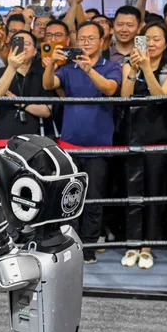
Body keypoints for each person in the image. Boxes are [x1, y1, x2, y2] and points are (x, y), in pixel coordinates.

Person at [43, 20, 121, 263]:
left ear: (102, 41)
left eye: (91, 39)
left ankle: (88, 246)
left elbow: (110, 89)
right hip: (70, 145)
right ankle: (70, 243)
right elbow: (48, 84)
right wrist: (52, 64)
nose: (85, 43)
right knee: (69, 198)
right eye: (82, 39)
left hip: (99, 144)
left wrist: (89, 69)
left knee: (94, 199)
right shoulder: (68, 68)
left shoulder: (111, 66)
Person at [120, 22, 167, 269]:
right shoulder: (129, 64)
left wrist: (147, 69)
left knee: (154, 193)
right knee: (133, 193)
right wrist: (134, 70)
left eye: (157, 39)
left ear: (166, 42)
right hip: (133, 136)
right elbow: (124, 97)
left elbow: (160, 98)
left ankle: (148, 246)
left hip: (160, 139)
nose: (152, 43)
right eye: (147, 39)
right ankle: (132, 243)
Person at [0, 30, 51, 140]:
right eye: (19, 44)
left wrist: (20, 103)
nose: (24, 47)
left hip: (35, 140)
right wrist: (12, 67)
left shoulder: (42, 74)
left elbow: (46, 111)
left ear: (35, 51)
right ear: (11, 49)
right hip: (4, 138)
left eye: (27, 44)